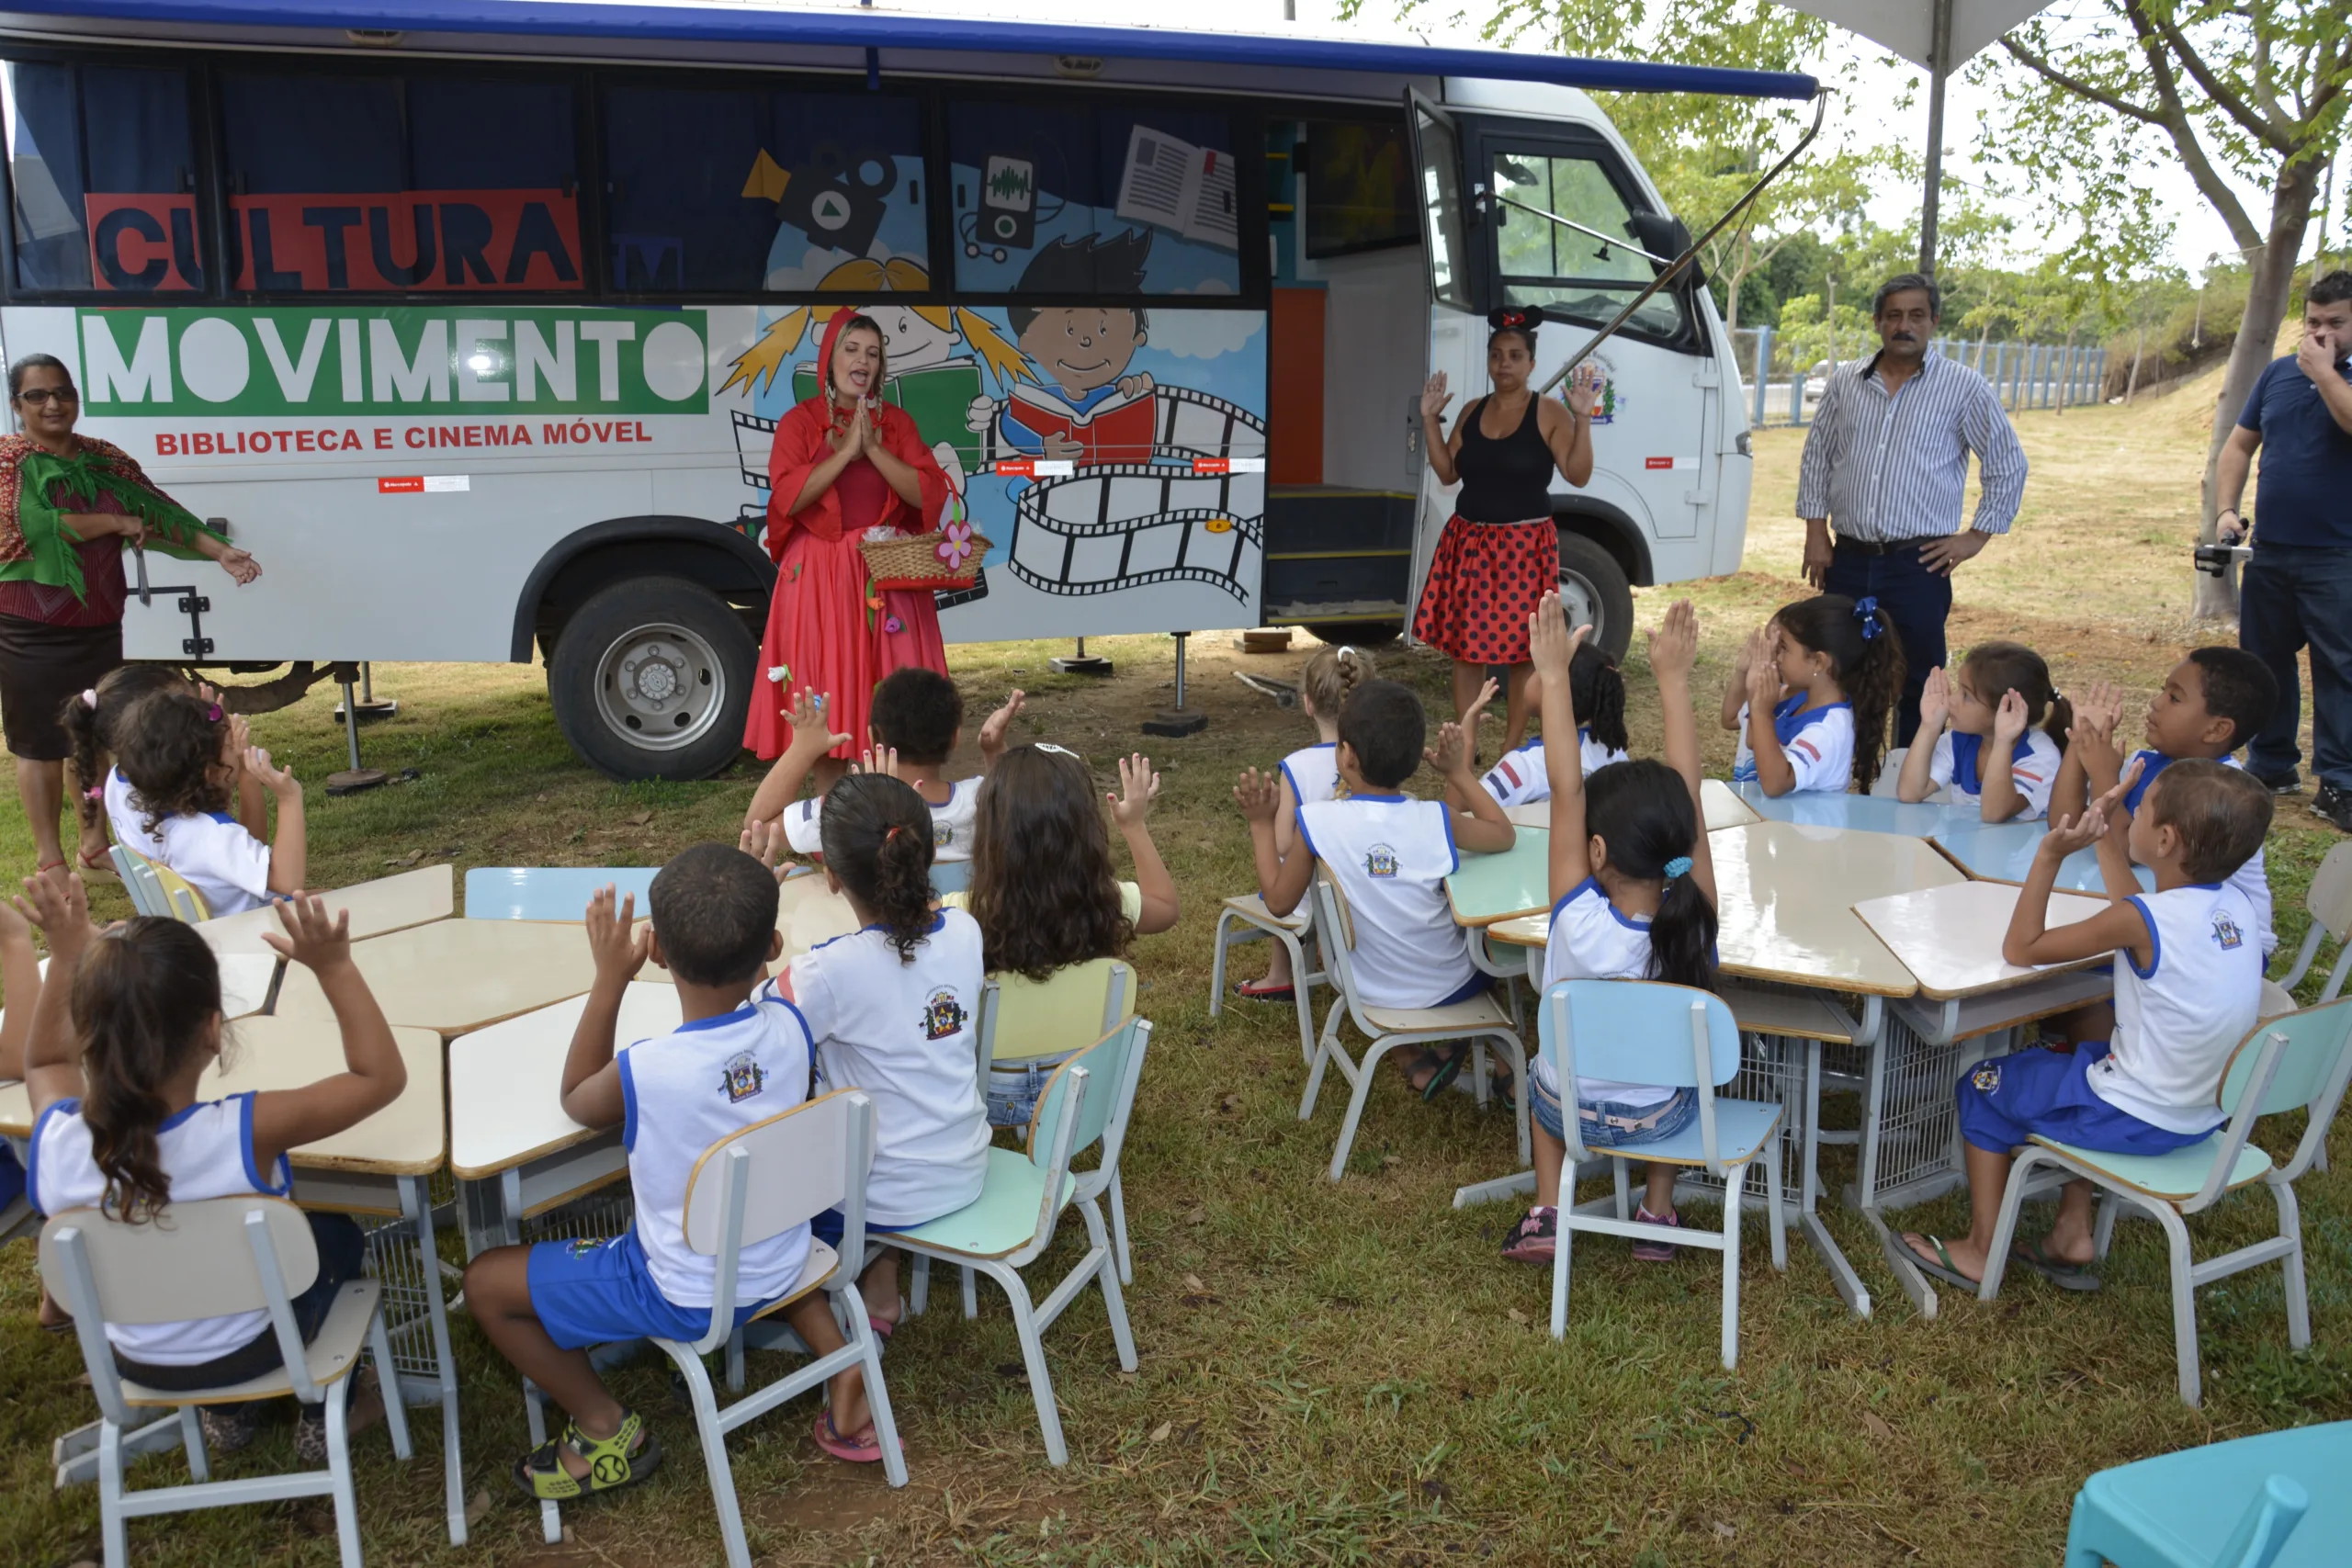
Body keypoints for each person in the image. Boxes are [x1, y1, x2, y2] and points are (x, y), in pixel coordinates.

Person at [464, 846, 888, 1496]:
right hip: (786, 1253)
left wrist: (610, 977)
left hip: (685, 1291)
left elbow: (577, 1095)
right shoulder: (792, 1029)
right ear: (772, 945)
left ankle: (604, 1426)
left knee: (486, 1281)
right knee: (754, 1209)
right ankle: (839, 1359)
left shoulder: (651, 1070)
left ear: (655, 950)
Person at [19, 878, 401, 1456]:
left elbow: (45, 1059)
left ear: (89, 1036)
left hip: (139, 1365)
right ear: (212, 1029)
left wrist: (68, 952)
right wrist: (334, 968)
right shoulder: (248, 1131)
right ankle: (330, 1411)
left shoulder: (57, 1142)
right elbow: (380, 1079)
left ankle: (226, 1416)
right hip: (260, 1348)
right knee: (334, 1236)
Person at [1899, 759, 2272, 1291]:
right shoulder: (2234, 905)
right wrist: (2105, 831)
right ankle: (2072, 1229)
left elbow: (2021, 948)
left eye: (2139, 808)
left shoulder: (2143, 920)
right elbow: (2138, 909)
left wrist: (2049, 856)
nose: (2131, 812)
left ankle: (1982, 1250)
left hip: (2138, 1116)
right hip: (2201, 1115)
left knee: (1983, 1085)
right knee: (2088, 1042)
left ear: (2165, 840)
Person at [1502, 594, 1718, 1267]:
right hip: (1661, 1120)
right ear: (1680, 842)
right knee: (1681, 1067)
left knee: (1545, 1072)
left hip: (1570, 1110)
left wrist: (1556, 677)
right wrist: (1675, 681)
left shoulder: (1577, 915)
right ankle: (1656, 1213)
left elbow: (1566, 788)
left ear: (1596, 852)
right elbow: (1692, 797)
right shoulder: (1695, 913)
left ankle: (1548, 1208)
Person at [0, 354, 261, 879]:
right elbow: (37, 526)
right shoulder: (9, 463)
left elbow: (160, 513)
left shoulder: (104, 459)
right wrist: (115, 520)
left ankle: (95, 846)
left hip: (97, 622)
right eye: (37, 395)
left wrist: (219, 552)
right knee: (40, 746)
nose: (53, 404)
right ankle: (50, 856)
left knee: (93, 736)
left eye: (63, 392)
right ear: (17, 406)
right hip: (29, 628)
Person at [1236, 678, 1514, 1098]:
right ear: (1414, 761)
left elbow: (1277, 902)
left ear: (1345, 755)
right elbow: (1503, 834)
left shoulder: (1316, 822)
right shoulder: (1436, 818)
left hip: (1363, 988)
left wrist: (1260, 824)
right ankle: (1505, 1064)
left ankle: (1418, 1059)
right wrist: (1458, 772)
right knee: (1492, 961)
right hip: (1450, 985)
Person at [783, 773, 989, 1337]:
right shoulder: (966, 932)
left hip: (878, 1199)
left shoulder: (824, 973)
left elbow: (753, 1025)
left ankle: (832, 1314)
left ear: (829, 873)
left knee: (763, 1196)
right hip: (965, 1166)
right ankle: (880, 1297)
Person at [1793, 274, 2029, 746]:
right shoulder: (1845, 384)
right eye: (1894, 315)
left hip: (1918, 564)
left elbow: (2008, 464)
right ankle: (1843, 769)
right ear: (1879, 322)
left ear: (1934, 321)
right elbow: (1818, 457)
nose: (1905, 325)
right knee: (1839, 671)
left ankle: (1907, 781)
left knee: (1918, 678)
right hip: (1848, 558)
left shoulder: (1962, 388)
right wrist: (1816, 533)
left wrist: (1975, 536)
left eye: (1917, 315)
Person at [748, 312, 953, 785]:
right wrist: (844, 454)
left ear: (881, 368)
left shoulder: (896, 424)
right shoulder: (800, 424)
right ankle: (834, 831)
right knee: (830, 702)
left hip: (887, 573)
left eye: (873, 353)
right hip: (820, 577)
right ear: (830, 359)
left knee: (904, 714)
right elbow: (787, 499)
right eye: (852, 349)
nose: (862, 360)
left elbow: (928, 495)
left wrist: (876, 449)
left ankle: (902, 823)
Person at [948, 744, 1178, 1124]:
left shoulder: (963, 912)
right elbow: (1166, 907)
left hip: (990, 1094)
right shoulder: (1108, 902)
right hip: (1083, 1089)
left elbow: (888, 925)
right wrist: (1134, 826)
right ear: (1086, 829)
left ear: (989, 834)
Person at [1413, 307, 1602, 752]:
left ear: (1531, 363)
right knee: (1466, 651)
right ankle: (1466, 742)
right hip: (1470, 543)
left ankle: (1511, 748)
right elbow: (1447, 473)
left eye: (1515, 356)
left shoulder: (1549, 412)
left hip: (1523, 547)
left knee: (1522, 655)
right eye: (1497, 355)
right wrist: (1428, 420)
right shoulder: (1472, 410)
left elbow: (1578, 475)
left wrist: (1584, 419)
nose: (1505, 364)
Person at [2215, 270, 2352, 830]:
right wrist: (2227, 509)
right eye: (2313, 322)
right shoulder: (2276, 375)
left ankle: (2340, 782)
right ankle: (2271, 765)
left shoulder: (2329, 375)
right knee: (2264, 665)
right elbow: (2240, 444)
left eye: (2336, 323)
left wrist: (2324, 374)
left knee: (2339, 669)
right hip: (2271, 551)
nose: (2321, 333)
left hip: (2339, 556)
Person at [2056, 649, 2281, 957]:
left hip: (2228, 949)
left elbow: (2126, 850)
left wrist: (2102, 774)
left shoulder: (2221, 789)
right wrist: (2080, 742)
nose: (2156, 702)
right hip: (2169, 925)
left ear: (2217, 729)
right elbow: (2065, 824)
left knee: (2065, 968)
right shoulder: (2146, 763)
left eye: (2175, 698)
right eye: (2164, 691)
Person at [745, 671, 1024, 863]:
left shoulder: (852, 809)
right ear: (955, 738)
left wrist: (802, 750)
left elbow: (757, 826)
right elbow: (1016, 806)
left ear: (871, 736)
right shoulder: (979, 802)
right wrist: (994, 750)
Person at [1233, 642, 1374, 1004]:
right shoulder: (1376, 759)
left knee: (1284, 866)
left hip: (1307, 899)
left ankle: (1280, 975)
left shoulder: (1296, 766)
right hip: (1366, 886)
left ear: (1308, 703)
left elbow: (1281, 843)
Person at [113, 689, 302, 918]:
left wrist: (245, 773)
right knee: (341, 903)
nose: (237, 751)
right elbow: (286, 881)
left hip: (222, 926)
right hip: (249, 931)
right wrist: (289, 798)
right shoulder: (211, 835)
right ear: (209, 771)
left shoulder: (167, 816)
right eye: (230, 747)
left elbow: (248, 847)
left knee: (326, 895)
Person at [60, 665, 264, 865]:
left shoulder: (117, 781)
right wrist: (247, 775)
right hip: (221, 899)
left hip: (174, 895)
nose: (199, 712)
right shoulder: (184, 813)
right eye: (187, 709)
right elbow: (252, 855)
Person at [1721, 594, 1904, 796]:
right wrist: (1758, 698)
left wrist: (1762, 712)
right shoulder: (1800, 700)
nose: (1777, 657)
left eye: (1784, 648)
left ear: (1818, 662)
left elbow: (1775, 784)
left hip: (1805, 828)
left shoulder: (1829, 729)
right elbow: (1753, 741)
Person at [1896, 641, 2071, 821]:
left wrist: (2003, 742)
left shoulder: (2039, 756)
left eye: (1966, 696)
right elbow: (1910, 793)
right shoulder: (1959, 741)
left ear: (2008, 710)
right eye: (1958, 689)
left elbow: (1993, 813)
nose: (1952, 700)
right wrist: (1929, 725)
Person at [1453, 638, 1631, 812]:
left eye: (1535, 669)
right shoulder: (1610, 749)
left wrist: (1466, 743)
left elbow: (1459, 816)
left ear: (1549, 686)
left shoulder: (1520, 768)